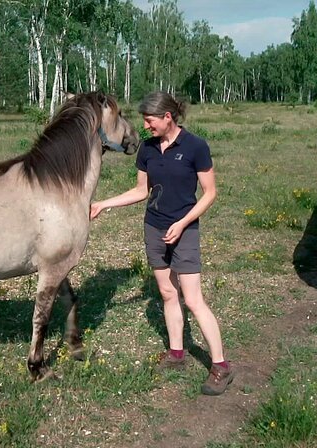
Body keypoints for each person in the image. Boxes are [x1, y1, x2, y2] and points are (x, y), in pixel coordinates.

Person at [90, 91, 234, 396]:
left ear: (168, 117)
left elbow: (209, 193)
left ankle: (221, 366)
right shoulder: (148, 148)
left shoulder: (196, 146)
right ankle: (176, 354)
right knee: (169, 294)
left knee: (193, 300)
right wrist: (104, 204)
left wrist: (182, 225)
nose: (145, 125)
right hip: (154, 228)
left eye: (149, 119)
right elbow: (142, 190)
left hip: (185, 230)